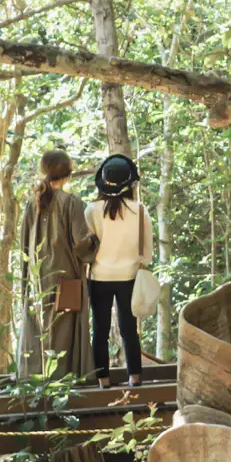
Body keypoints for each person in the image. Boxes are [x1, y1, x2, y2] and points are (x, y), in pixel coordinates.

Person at [18, 148, 98, 382]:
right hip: (65, 277)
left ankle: (36, 379)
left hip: (37, 278)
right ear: (66, 175)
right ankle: (62, 382)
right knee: (63, 329)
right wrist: (97, 242)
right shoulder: (71, 203)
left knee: (39, 328)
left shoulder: (32, 203)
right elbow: (82, 243)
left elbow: (24, 243)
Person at [85, 153, 152, 387]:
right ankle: (134, 376)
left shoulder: (91, 210)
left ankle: (102, 380)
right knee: (128, 330)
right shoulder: (139, 210)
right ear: (129, 183)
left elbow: (86, 247)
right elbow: (147, 250)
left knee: (99, 329)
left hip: (99, 277)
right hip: (129, 277)